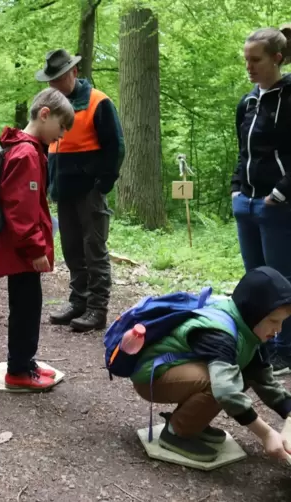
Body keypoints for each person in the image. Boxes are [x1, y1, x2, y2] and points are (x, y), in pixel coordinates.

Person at [130, 267, 291, 464]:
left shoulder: (250, 334)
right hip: (152, 376)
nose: (278, 330)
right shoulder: (220, 333)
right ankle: (176, 432)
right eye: (274, 321)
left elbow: (264, 381)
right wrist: (266, 434)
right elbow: (225, 391)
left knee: (234, 375)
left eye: (282, 322)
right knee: (220, 382)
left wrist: (289, 411)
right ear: (254, 312)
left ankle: (194, 422)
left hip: (179, 370)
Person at [37, 49, 125, 333]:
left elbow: (116, 146)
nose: (55, 85)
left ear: (74, 72)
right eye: (51, 80)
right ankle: (79, 302)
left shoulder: (98, 102)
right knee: (72, 248)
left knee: (93, 249)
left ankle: (97, 309)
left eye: (59, 78)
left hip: (90, 190)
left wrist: (103, 183)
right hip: (63, 190)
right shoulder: (52, 107)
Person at [0, 88, 74, 390]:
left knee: (29, 305)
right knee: (26, 308)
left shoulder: (28, 150)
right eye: (62, 126)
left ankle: (25, 361)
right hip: (23, 251)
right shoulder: (26, 153)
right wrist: (36, 247)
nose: (62, 134)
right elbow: (20, 210)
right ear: (44, 114)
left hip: (22, 250)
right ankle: (18, 370)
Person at [231, 26, 291, 374]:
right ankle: (259, 345)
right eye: (246, 60)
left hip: (278, 207)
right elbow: (243, 152)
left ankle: (286, 349)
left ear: (277, 59)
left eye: (256, 60)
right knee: (256, 280)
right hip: (247, 205)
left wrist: (279, 194)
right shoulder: (248, 101)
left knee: (282, 281)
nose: (249, 67)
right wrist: (236, 189)